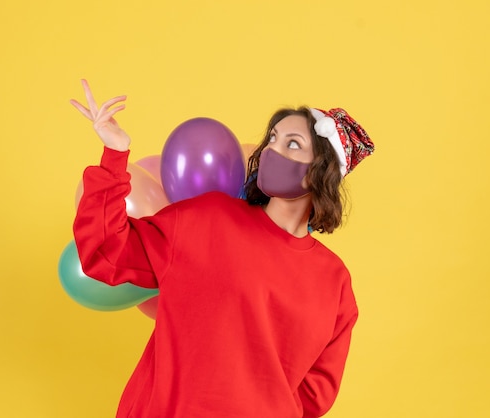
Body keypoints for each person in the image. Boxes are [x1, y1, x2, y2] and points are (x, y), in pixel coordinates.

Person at [70, 79, 374, 418]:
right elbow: (106, 251)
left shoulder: (335, 281)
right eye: (272, 139)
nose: (273, 151)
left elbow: (315, 394)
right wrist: (115, 153)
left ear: (322, 173)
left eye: (293, 144)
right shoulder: (208, 218)